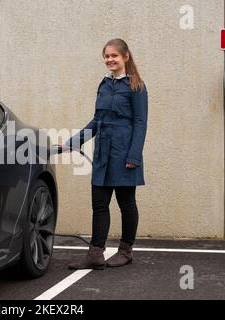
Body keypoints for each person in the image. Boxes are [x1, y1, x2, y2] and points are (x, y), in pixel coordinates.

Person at [63, 38, 148, 270]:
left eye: (114, 56)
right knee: (99, 203)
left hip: (123, 153)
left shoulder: (136, 86)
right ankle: (95, 254)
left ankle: (126, 251)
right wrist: (74, 142)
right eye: (107, 56)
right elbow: (97, 121)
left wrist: (134, 156)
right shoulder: (103, 85)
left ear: (125, 57)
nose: (110, 60)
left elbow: (141, 123)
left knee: (126, 203)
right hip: (103, 152)